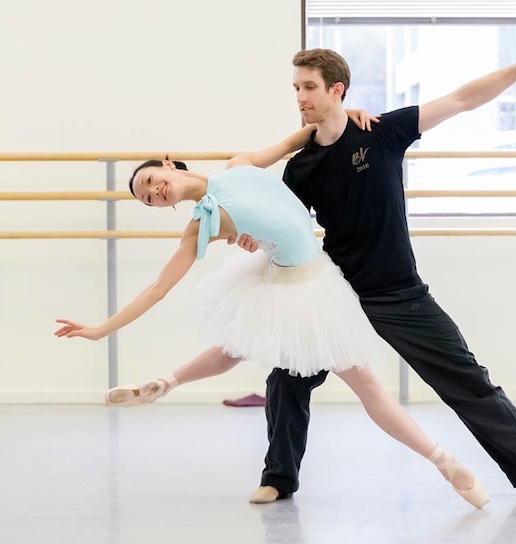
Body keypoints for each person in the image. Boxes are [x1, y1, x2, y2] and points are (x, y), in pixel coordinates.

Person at [100, 48, 516, 506]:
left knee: (468, 381)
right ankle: (280, 477)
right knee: (288, 377)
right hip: (334, 286)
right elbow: (276, 220)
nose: (300, 97)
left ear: (336, 90)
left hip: (398, 290)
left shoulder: (381, 132)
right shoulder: (301, 168)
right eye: (295, 89)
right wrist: (247, 237)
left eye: (309, 87)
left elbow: (463, 99)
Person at [54, 137, 491, 509]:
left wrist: (350, 118)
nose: (155, 192)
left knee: (247, 350)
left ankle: (166, 383)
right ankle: (446, 464)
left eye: (151, 181)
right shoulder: (201, 225)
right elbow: (156, 289)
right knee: (247, 348)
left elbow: (294, 140)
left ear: (168, 164)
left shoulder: (237, 166)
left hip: (312, 278)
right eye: (148, 198)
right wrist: (99, 330)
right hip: (296, 285)